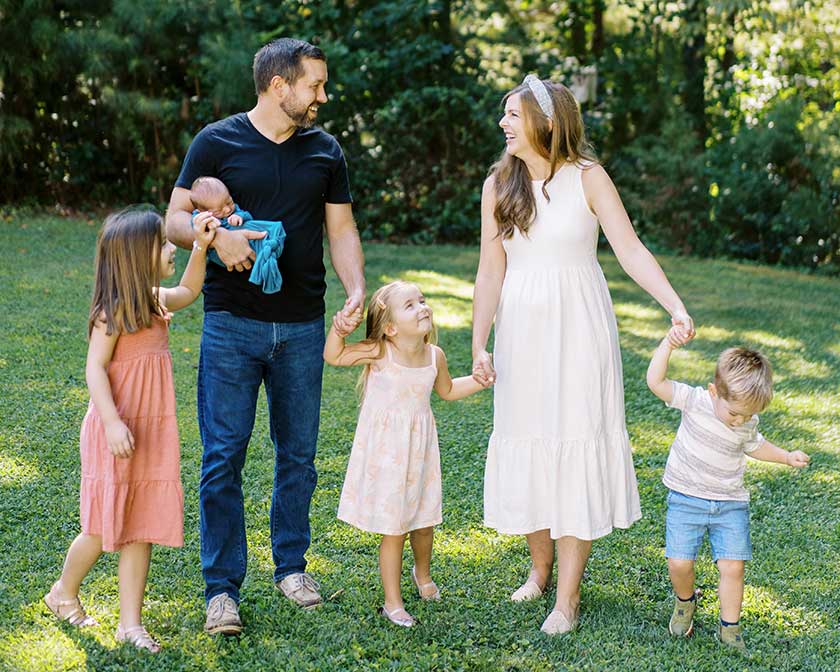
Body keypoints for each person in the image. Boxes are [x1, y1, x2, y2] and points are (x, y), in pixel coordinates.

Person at [470, 74, 696, 635]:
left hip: (581, 329)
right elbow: (490, 269)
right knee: (530, 440)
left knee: (576, 440)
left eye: (513, 116)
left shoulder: (589, 178)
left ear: (547, 124)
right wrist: (478, 341)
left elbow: (629, 248)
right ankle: (539, 571)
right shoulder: (498, 185)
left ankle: (566, 600)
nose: (504, 124)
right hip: (522, 329)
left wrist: (674, 305)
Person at [166, 37, 364, 636]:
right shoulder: (216, 141)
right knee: (222, 456)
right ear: (280, 85)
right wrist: (210, 232)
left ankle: (291, 567)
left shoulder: (325, 151)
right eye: (315, 85)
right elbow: (173, 218)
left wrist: (356, 288)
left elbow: (343, 228)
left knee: (298, 456)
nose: (322, 97)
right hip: (230, 325)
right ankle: (221, 589)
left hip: (303, 326)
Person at [43, 207, 216, 653]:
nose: (169, 248)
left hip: (150, 431)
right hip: (114, 431)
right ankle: (63, 591)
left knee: (141, 525)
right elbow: (95, 369)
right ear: (138, 257)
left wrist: (201, 245)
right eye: (162, 244)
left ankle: (130, 625)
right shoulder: (113, 312)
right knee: (102, 528)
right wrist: (113, 422)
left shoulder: (155, 299)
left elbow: (191, 289)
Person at [324, 281, 489, 627]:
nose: (422, 307)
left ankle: (422, 573)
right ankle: (392, 602)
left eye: (423, 300)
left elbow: (446, 390)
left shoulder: (435, 356)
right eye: (410, 305)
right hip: (386, 454)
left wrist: (479, 381)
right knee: (395, 527)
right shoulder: (379, 352)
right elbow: (334, 356)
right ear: (390, 327)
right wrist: (338, 331)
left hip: (420, 451)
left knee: (424, 519)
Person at [647, 331, 810, 653]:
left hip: (730, 505)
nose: (740, 421)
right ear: (713, 392)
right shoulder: (694, 400)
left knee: (733, 566)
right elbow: (656, 382)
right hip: (686, 499)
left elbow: (756, 445)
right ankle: (685, 602)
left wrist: (786, 456)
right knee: (679, 563)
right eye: (735, 413)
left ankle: (730, 627)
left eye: (748, 416)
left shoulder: (746, 421)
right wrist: (667, 345)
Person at [189, 176, 286, 294]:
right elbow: (199, 232)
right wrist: (212, 226)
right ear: (201, 212)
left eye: (229, 202)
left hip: (243, 236)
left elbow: (246, 215)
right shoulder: (198, 218)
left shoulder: (232, 210)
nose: (227, 209)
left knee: (266, 228)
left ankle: (268, 245)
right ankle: (265, 257)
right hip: (222, 254)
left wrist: (239, 216)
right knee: (257, 241)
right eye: (218, 211)